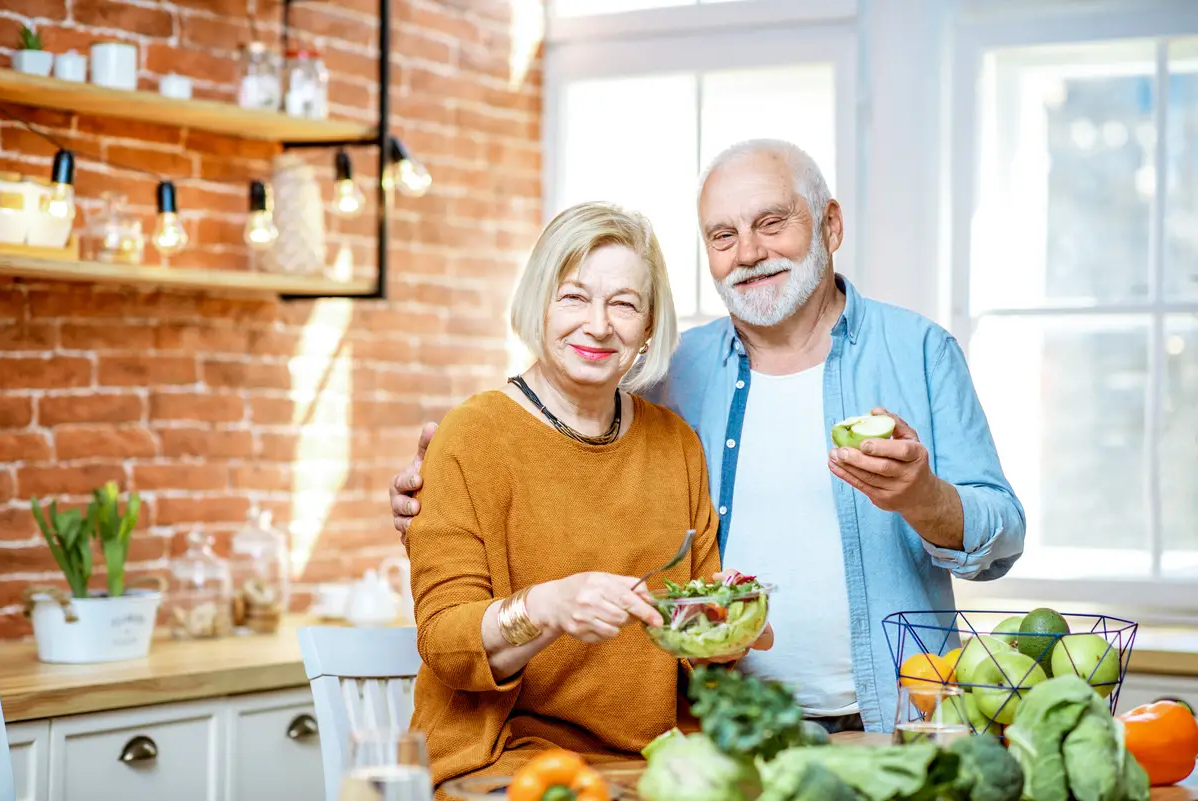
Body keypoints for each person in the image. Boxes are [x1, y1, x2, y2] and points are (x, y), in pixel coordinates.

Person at [392, 139, 1025, 734]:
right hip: (728, 725)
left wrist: (921, 497)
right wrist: (442, 493)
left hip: (895, 714)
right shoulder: (676, 374)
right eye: (724, 235)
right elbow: (556, 441)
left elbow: (1004, 536)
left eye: (772, 223)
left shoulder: (919, 351)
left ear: (830, 226)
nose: (748, 252)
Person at [401, 200, 772, 794]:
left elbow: (695, 644)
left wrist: (731, 621)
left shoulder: (674, 443)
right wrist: (546, 608)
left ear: (648, 327)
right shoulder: (470, 436)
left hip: (653, 763)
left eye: (624, 304)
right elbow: (446, 642)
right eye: (573, 296)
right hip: (500, 764)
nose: (598, 325)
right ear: (537, 303)